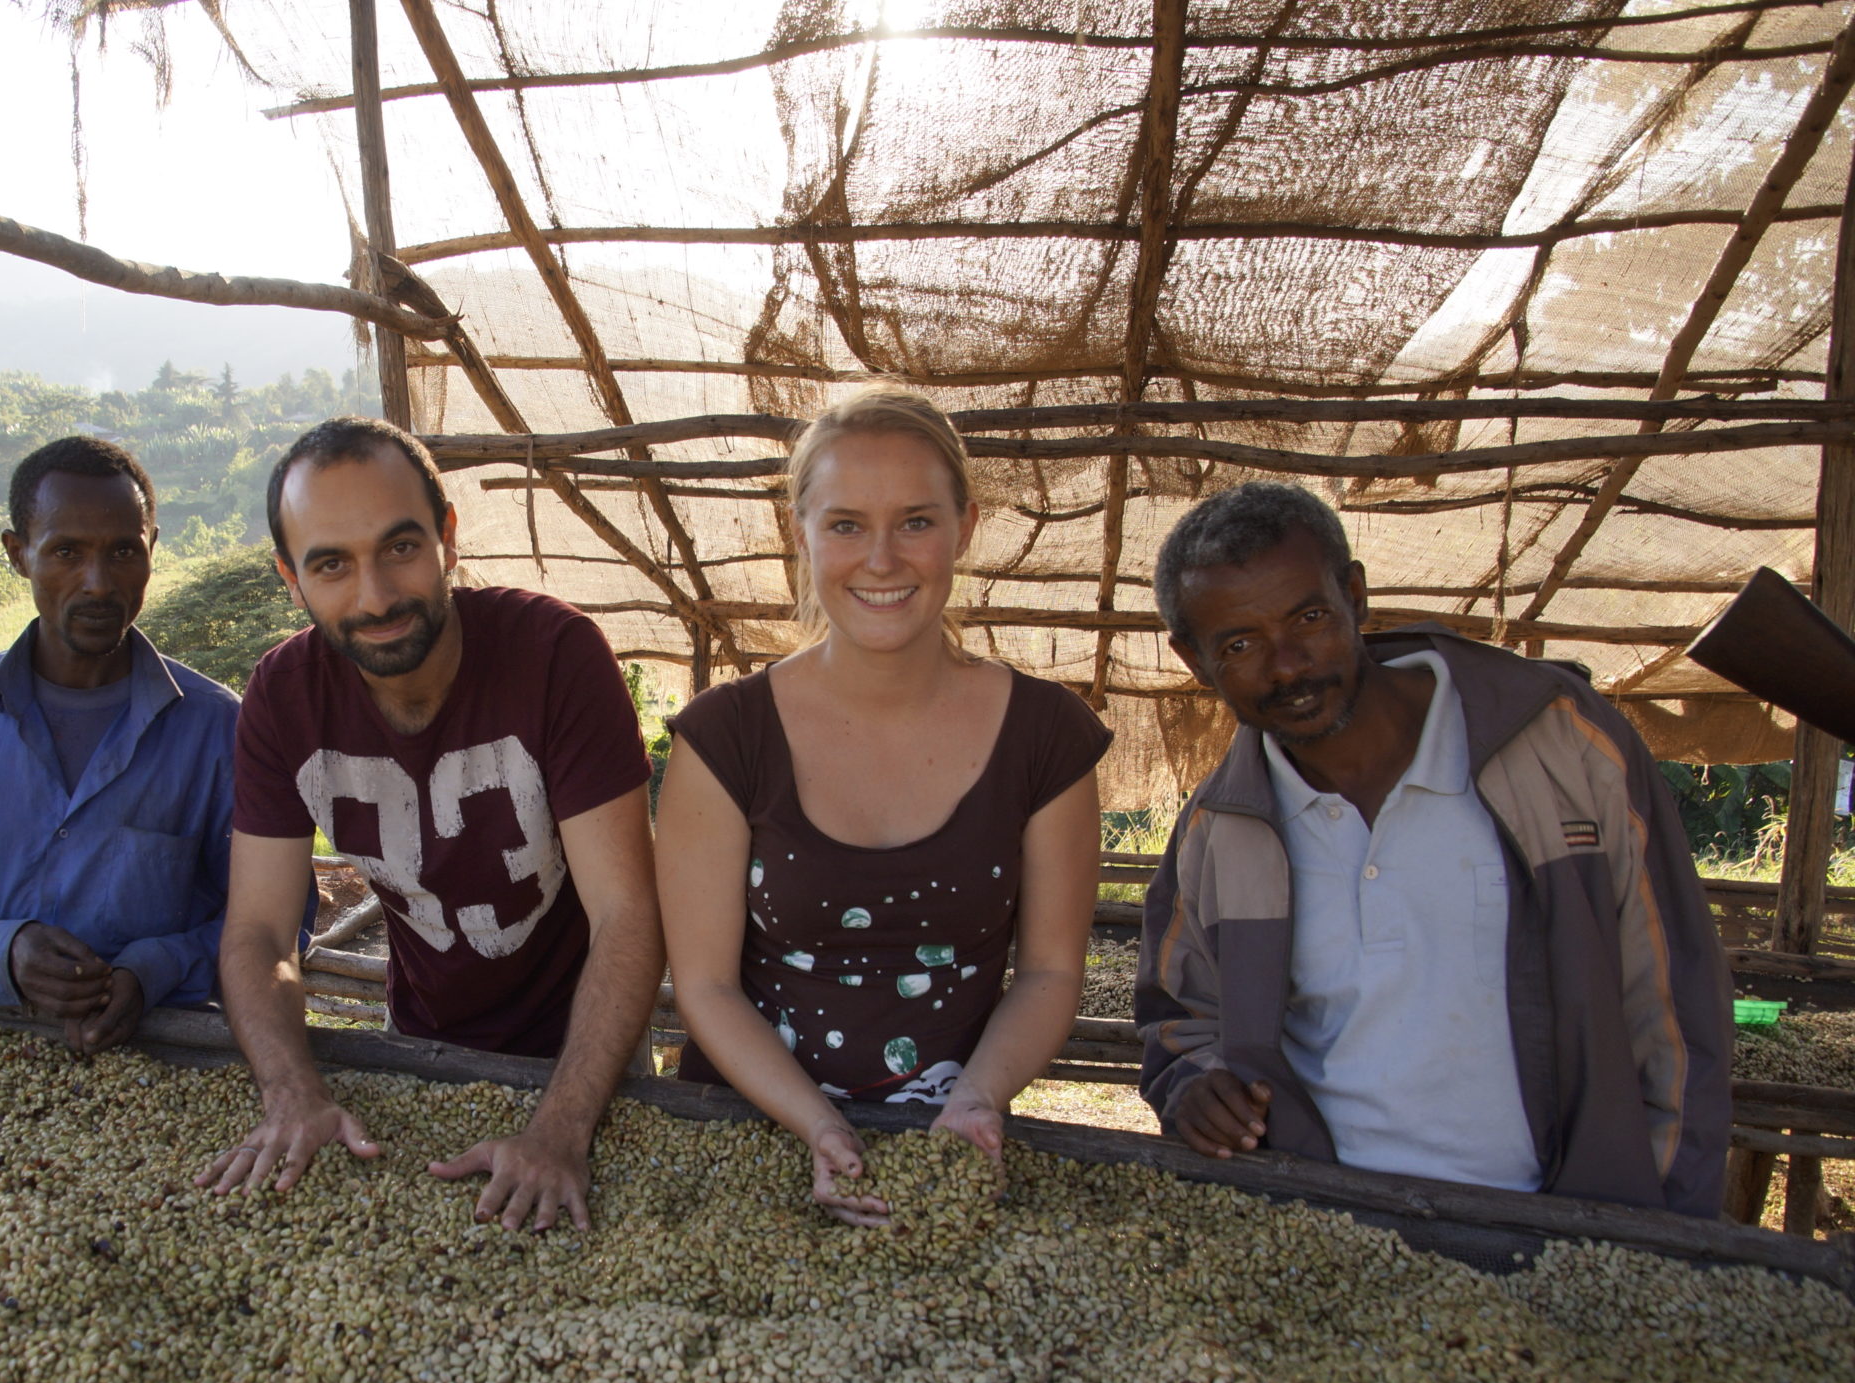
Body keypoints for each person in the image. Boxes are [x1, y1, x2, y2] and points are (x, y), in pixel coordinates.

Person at [1136, 480, 1730, 1215]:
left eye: (1310, 616)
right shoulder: (1217, 829)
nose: (1287, 665)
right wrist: (1196, 1084)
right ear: (1194, 659)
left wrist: (1661, 1225)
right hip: (1325, 1227)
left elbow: (1674, 1002)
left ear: (1356, 598)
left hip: (1563, 1225)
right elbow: (1182, 1017)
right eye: (1240, 643)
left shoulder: (1561, 748)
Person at [656, 388, 1110, 1227]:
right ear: (801, 533)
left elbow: (1050, 969)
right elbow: (708, 985)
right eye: (845, 525)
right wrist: (820, 1125)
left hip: (951, 1140)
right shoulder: (726, 739)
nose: (882, 559)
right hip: (749, 1144)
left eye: (916, 521)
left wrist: (976, 1100)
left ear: (965, 527)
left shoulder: (1046, 737)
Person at [201, 416, 662, 1230]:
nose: (374, 595)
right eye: (332, 565)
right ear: (290, 578)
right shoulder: (282, 696)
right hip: (417, 1044)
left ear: (448, 538)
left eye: (400, 548)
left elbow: (629, 914)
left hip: (587, 1065)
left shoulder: (556, 656)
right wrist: (293, 1091)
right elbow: (261, 932)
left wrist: (560, 1127)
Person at [0, 435, 241, 1054]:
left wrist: (154, 969)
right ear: (18, 554)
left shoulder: (217, 730)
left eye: (123, 551)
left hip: (166, 1065)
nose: (97, 583)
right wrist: (4, 954)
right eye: (66, 551)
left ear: (152, 551)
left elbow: (272, 920)